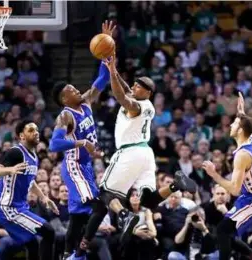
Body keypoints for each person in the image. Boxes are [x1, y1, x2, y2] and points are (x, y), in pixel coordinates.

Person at [76, 53, 196, 260]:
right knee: (148, 200)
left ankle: (123, 215)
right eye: (134, 85)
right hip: (145, 153)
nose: (134, 88)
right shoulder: (144, 102)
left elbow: (120, 95)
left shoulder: (138, 106)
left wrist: (113, 73)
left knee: (104, 193)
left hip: (129, 152)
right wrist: (113, 69)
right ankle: (176, 185)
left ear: (148, 92)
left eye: (138, 87)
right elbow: (126, 89)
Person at [49, 21, 115, 260]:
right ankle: (80, 250)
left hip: (85, 167)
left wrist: (108, 48)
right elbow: (53, 145)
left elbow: (102, 79)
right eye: (69, 89)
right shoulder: (66, 115)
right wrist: (81, 143)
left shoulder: (86, 102)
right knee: (100, 206)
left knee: (77, 217)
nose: (75, 89)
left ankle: (68, 255)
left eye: (73, 87)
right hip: (73, 166)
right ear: (63, 99)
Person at [202, 113, 252, 260]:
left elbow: (234, 189)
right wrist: (242, 112)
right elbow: (250, 128)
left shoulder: (242, 155)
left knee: (223, 230)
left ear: (240, 130)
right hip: (250, 197)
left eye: (234, 123)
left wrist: (214, 174)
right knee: (227, 233)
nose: (231, 125)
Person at [0, 120, 59, 260]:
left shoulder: (34, 157)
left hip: (20, 207)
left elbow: (30, 180)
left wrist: (43, 197)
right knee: (48, 231)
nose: (36, 132)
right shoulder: (15, 152)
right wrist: (11, 169)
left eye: (36, 129)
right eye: (31, 130)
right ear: (21, 136)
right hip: (7, 208)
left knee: (32, 244)